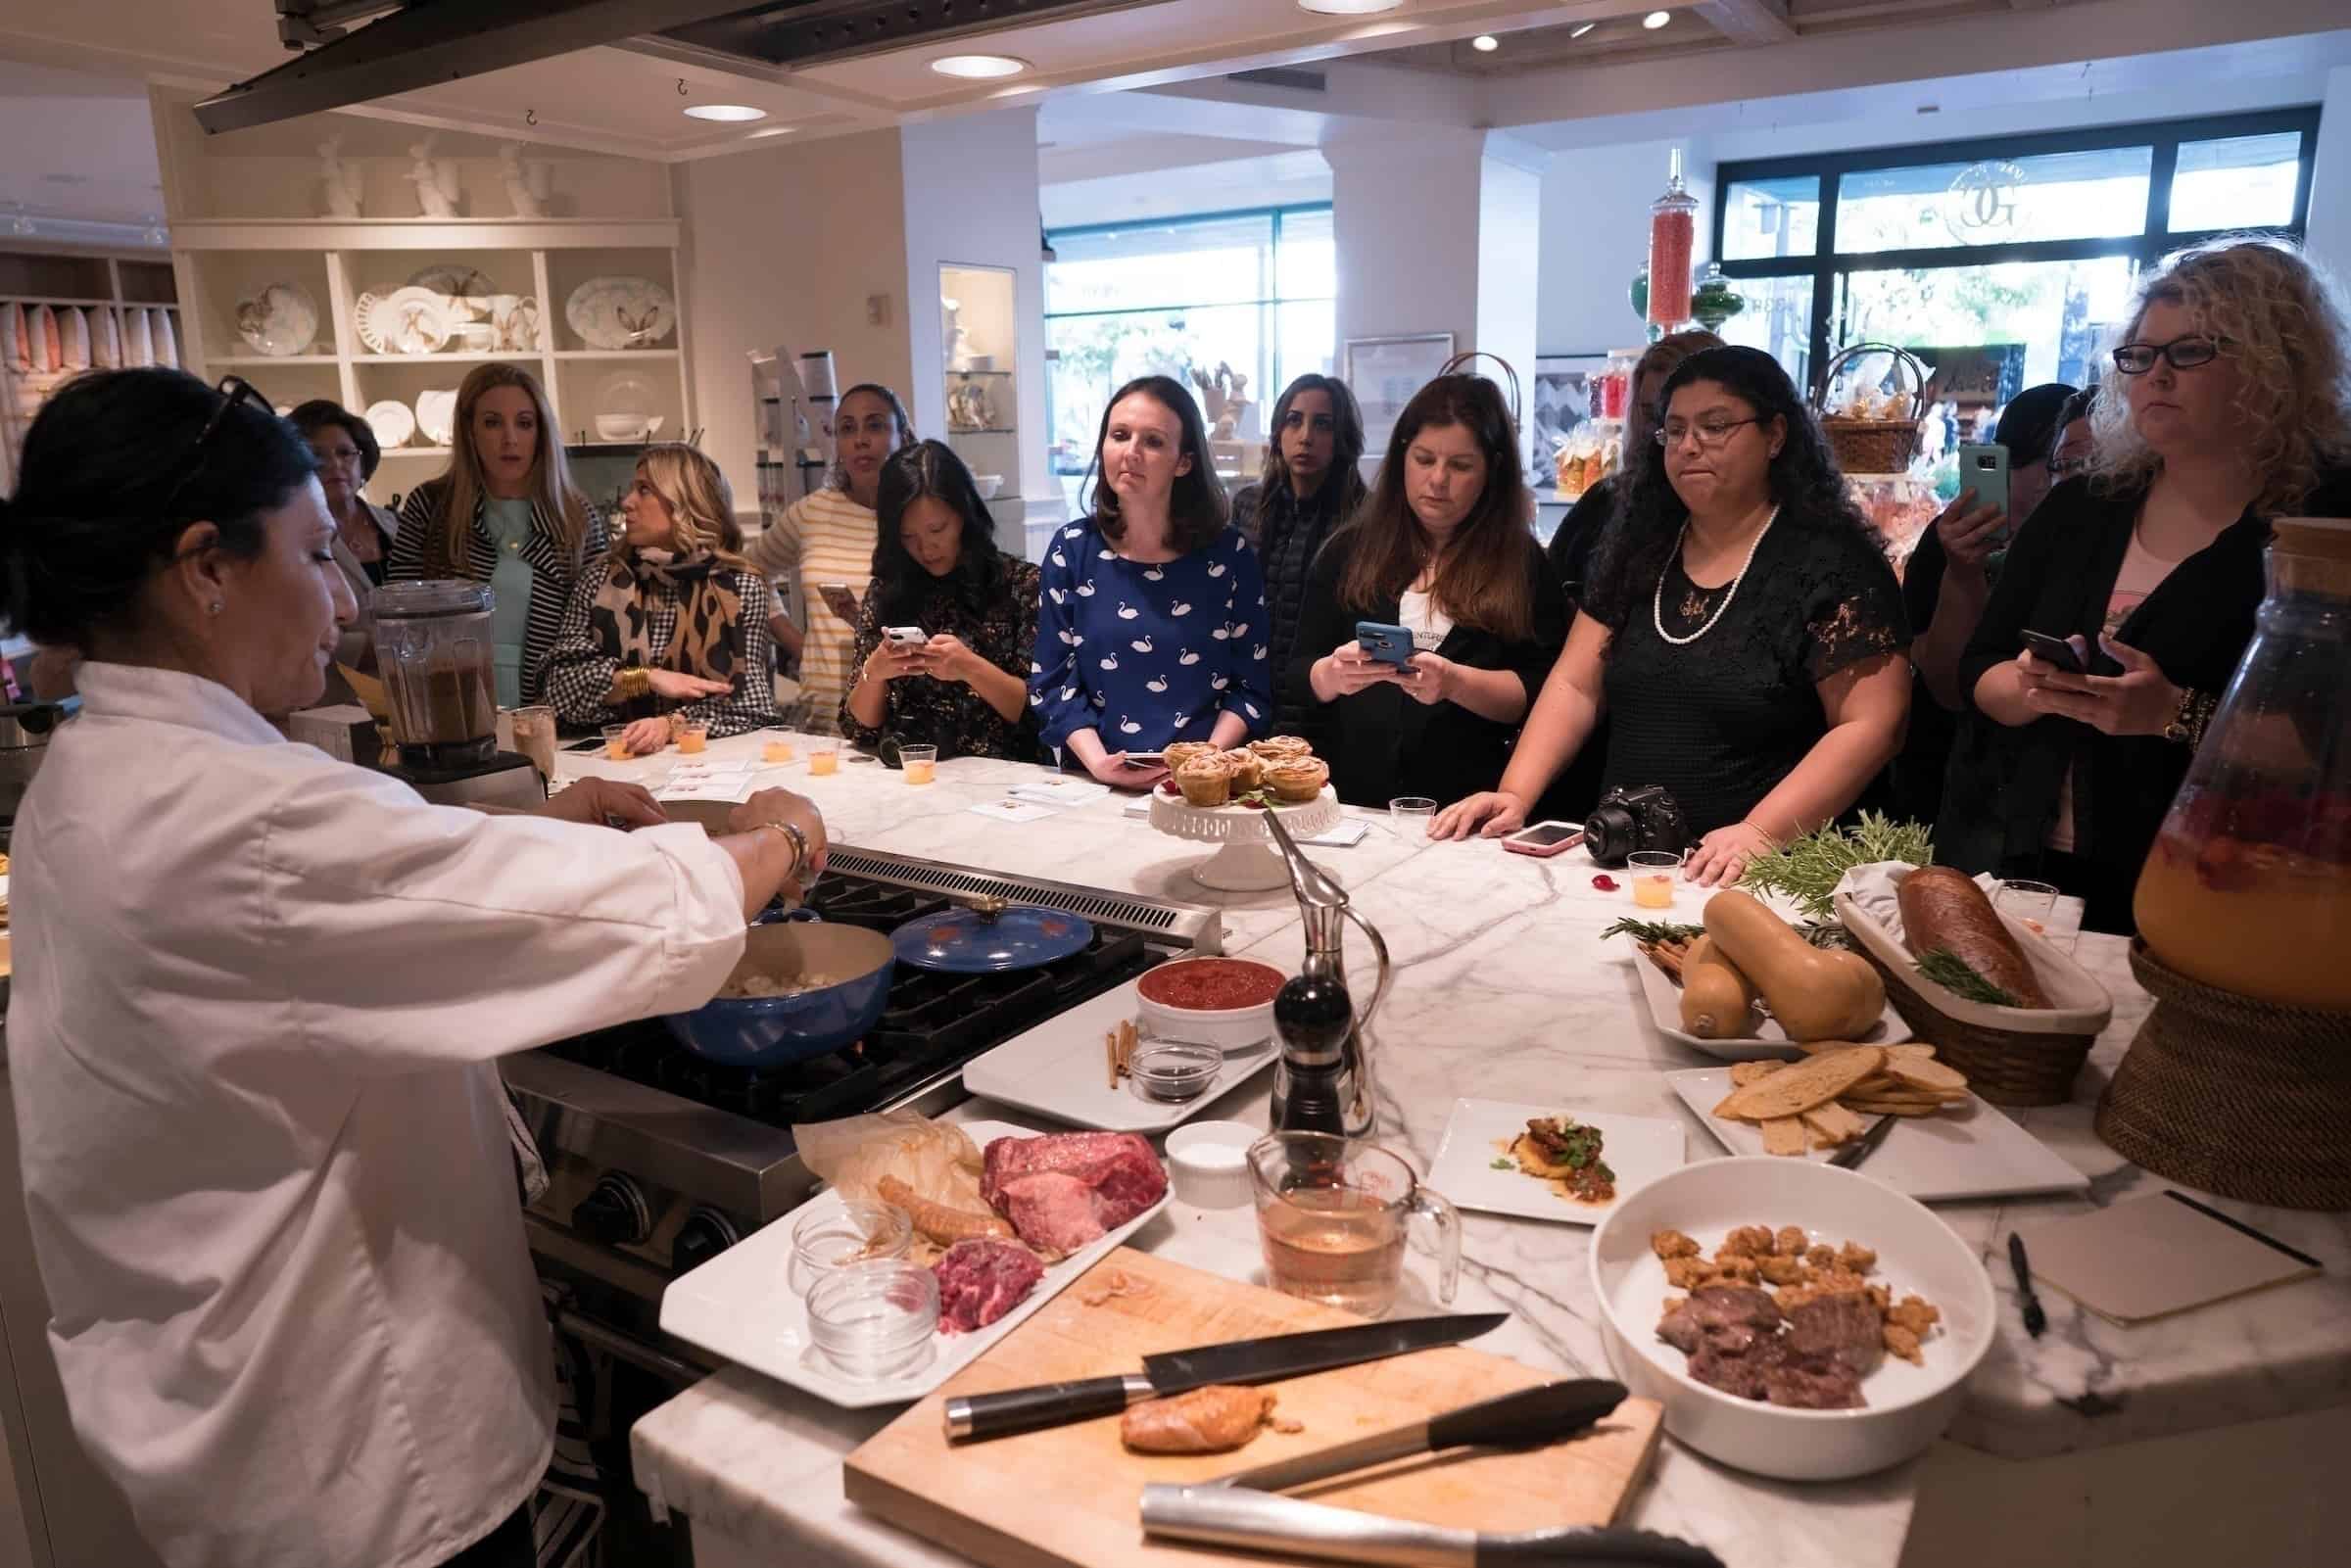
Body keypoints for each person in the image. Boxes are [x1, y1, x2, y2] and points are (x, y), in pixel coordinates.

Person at [0, 368, 827, 1568]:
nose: (341, 600)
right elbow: (603, 915)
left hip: (216, 1415)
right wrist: (778, 838)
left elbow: (372, 889)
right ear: (206, 568)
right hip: (354, 1457)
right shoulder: (244, 817)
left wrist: (542, 822)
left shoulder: (92, 774)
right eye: (313, 552)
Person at [1946, 238, 2351, 930]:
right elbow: (1980, 669)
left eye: (2191, 351)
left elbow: (2332, 742)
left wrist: (2174, 714)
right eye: (2140, 355)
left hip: (2223, 888)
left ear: (2274, 363)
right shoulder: (2083, 507)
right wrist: (2031, 688)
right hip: (2035, 871)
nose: (2155, 375)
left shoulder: (2324, 523)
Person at [1434, 346, 1912, 887]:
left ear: (1776, 435)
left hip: (1766, 875)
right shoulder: (1642, 544)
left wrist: (1760, 832)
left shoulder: (1834, 561)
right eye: (1675, 429)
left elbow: (1873, 724)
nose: (1690, 446)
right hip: (1626, 863)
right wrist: (1516, 792)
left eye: (1715, 426)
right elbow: (1575, 684)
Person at [1292, 374, 1567, 808]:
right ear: (1402, 456)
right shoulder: (1348, 551)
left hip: (1469, 813)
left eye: (1460, 466)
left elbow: (1541, 695)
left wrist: (1456, 682)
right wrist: (1333, 674)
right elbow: (1297, 674)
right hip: (1351, 810)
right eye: (1424, 459)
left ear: (1491, 471)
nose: (1438, 480)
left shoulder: (1521, 564)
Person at [1030, 375, 1270, 785]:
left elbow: (1252, 686)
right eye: (1119, 435)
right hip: (1094, 782)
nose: (1131, 453)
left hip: (1205, 786)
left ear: (1184, 461)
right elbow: (1051, 682)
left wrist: (1203, 764)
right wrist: (1101, 764)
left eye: (1153, 441)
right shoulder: (1071, 549)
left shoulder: (1229, 556)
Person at [1540, 330, 1721, 820]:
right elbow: (1570, 670)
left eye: (1702, 423)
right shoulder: (1608, 508)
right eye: (1653, 414)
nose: (1674, 436)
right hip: (1600, 756)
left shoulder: (1795, 547)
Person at [1891, 381, 2079, 826]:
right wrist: (1963, 571)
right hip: (1944, 763)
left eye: (2063, 466)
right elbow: (1943, 684)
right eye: (2029, 463)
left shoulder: (2086, 544)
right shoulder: (1950, 539)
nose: (2039, 481)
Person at [387, 363, 603, 709]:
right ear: (469, 430)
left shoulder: (575, 515)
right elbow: (399, 618)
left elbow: (598, 626)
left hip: (552, 709)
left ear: (542, 432)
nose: (510, 439)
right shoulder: (431, 506)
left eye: (524, 423)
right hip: (452, 705)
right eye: (491, 422)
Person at [543, 443, 780, 752]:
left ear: (685, 503)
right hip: (614, 760)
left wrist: (670, 725)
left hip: (708, 765)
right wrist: (645, 678)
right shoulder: (601, 579)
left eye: (644, 490)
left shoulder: (738, 587)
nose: (626, 503)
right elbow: (559, 690)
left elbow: (748, 705)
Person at [842, 440, 1044, 761]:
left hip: (1004, 784)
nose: (926, 548)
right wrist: (875, 672)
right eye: (909, 537)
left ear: (964, 514)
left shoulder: (1021, 585)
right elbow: (858, 728)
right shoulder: (888, 589)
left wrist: (970, 668)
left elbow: (1041, 713)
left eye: (937, 529)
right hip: (909, 776)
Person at [743, 382, 914, 732]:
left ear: (904, 436)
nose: (860, 440)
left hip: (904, 711)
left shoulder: (921, 517)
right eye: (847, 429)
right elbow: (751, 569)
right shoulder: (812, 513)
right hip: (821, 709)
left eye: (875, 425)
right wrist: (795, 641)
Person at [1230, 374, 1368, 734]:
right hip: (1248, 701)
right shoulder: (1248, 506)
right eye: (1295, 420)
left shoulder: (1364, 519)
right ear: (1278, 431)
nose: (1306, 436)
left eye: (1322, 424)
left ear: (1342, 437)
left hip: (1331, 711)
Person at [289, 399, 402, 684]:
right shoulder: (291, 537)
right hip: (338, 694)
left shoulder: (397, 523)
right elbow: (293, 627)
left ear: (363, 462)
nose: (335, 465)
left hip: (410, 686)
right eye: (317, 455)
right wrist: (375, 650)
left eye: (345, 453)